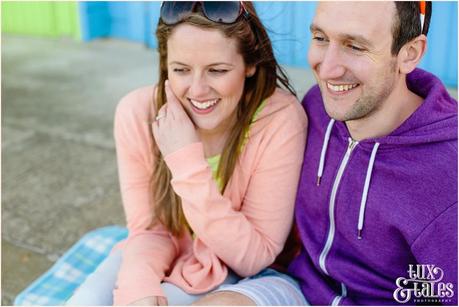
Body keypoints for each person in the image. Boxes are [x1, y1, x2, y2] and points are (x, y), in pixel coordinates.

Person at [194, 1, 458, 305]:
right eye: (320, 38)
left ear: (409, 53)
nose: (328, 68)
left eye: (355, 46)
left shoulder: (448, 173)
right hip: (299, 287)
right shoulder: (318, 107)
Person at [66, 1, 308, 306]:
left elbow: (253, 258)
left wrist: (185, 162)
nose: (197, 90)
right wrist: (137, 287)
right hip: (158, 249)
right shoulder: (136, 113)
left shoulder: (279, 120)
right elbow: (148, 230)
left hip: (230, 263)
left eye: (217, 70)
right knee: (84, 301)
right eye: (181, 70)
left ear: (250, 64)